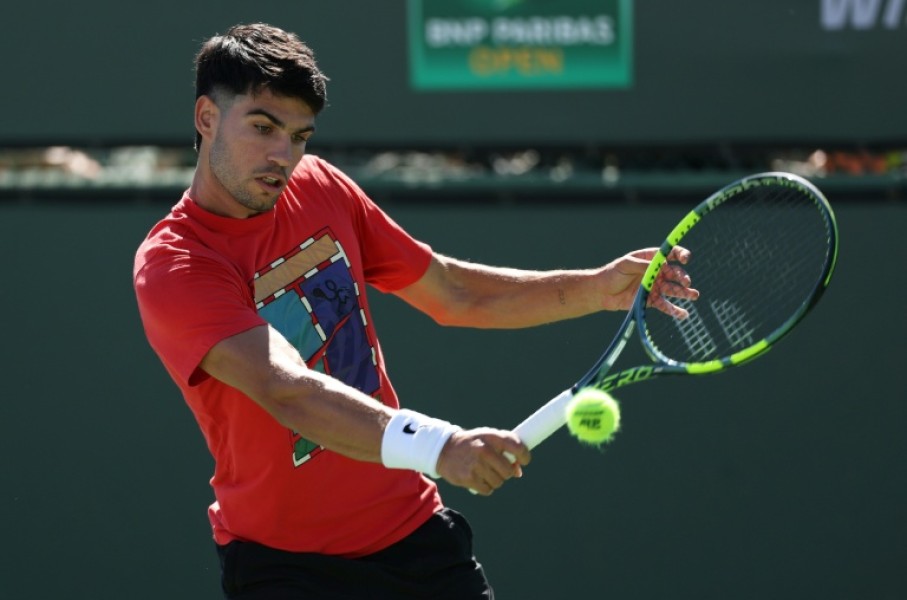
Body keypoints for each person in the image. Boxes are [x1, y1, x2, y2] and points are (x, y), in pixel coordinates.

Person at [133, 22, 696, 600]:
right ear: (206, 118)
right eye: (263, 127)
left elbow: (452, 291)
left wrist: (596, 289)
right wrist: (440, 446)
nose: (284, 155)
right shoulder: (176, 267)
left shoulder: (321, 185)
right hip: (284, 569)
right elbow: (286, 389)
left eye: (300, 135)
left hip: (413, 540)